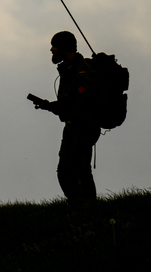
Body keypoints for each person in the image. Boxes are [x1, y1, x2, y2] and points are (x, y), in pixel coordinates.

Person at [34, 31, 101, 201]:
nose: (51, 50)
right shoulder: (69, 70)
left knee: (67, 171)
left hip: (83, 127)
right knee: (81, 170)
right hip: (74, 127)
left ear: (64, 48)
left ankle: (80, 206)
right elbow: (69, 104)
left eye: (54, 46)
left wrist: (57, 107)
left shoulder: (83, 71)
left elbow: (80, 101)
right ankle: (89, 208)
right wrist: (49, 106)